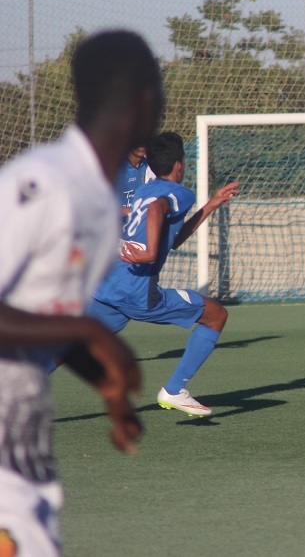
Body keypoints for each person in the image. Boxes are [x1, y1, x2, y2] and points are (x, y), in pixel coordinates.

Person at [0, 30, 161, 556]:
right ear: (145, 99)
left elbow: (43, 319)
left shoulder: (103, 198)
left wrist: (108, 389)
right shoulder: (41, 183)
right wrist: (90, 328)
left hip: (22, 448)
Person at [87, 132, 240, 416]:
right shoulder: (180, 193)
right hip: (138, 293)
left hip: (108, 286)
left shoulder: (144, 190)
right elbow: (158, 208)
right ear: (179, 165)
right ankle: (175, 390)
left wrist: (211, 205)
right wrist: (148, 252)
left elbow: (174, 239)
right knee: (216, 315)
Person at [114, 145, 149, 217]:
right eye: (138, 141)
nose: (141, 146)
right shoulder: (117, 167)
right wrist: (136, 212)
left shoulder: (149, 165)